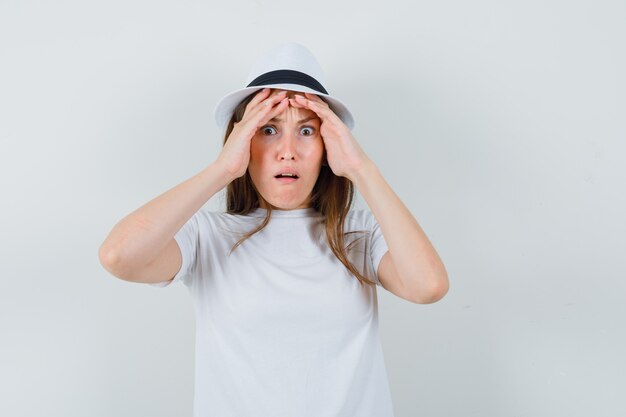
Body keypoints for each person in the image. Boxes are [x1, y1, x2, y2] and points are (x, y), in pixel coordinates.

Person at [98, 42, 449, 417]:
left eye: (307, 131)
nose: (287, 151)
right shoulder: (207, 236)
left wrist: (361, 168)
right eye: (268, 129)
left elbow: (428, 286)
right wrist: (222, 170)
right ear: (242, 141)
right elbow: (119, 256)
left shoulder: (358, 235)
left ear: (329, 146)